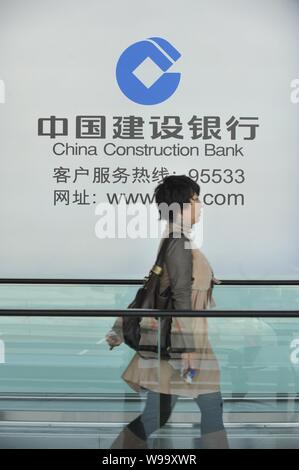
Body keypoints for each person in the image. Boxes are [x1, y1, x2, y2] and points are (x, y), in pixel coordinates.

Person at [106, 175, 229, 449]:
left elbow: (167, 286)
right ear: (180, 206)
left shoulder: (176, 239)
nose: (201, 206)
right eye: (195, 200)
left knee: (157, 414)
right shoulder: (179, 242)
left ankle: (118, 453)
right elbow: (181, 295)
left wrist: (208, 278)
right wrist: (188, 351)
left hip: (176, 340)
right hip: (185, 342)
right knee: (209, 408)